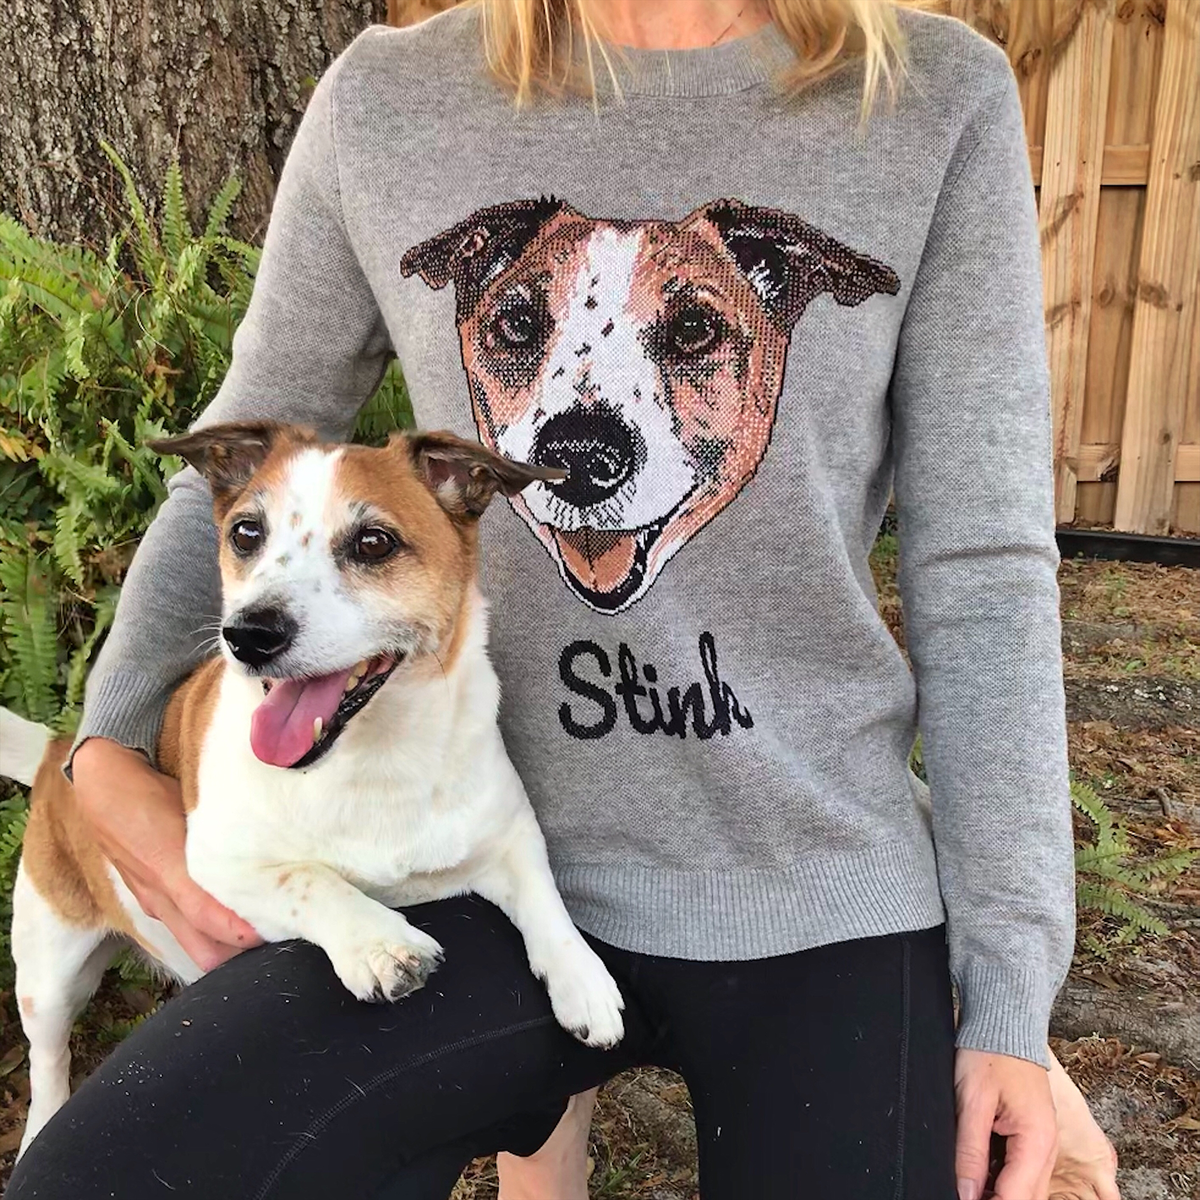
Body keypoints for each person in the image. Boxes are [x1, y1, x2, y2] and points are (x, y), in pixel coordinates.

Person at [8, 3, 1119, 1198]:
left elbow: (984, 565)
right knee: (106, 1178)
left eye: (690, 332)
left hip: (813, 880)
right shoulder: (391, 100)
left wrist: (1008, 986)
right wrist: (108, 742)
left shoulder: (932, 97)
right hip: (466, 875)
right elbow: (237, 474)